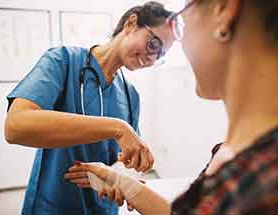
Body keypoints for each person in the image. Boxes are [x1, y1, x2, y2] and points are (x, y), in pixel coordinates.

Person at [66, 0, 278, 214]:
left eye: (184, 14)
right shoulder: (235, 161)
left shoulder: (262, 185)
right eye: (154, 45)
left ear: (224, 10)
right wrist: (123, 183)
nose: (183, 42)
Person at [4, 2, 175, 214]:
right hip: (54, 206)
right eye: (153, 45)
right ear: (131, 23)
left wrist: (122, 178)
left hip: (104, 208)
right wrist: (116, 127)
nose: (151, 58)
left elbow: (124, 162)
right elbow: (15, 126)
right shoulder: (63, 62)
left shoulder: (131, 95)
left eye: (160, 56)